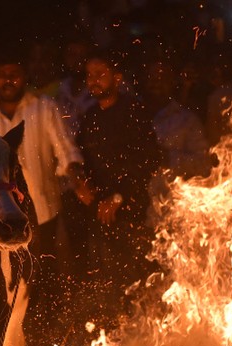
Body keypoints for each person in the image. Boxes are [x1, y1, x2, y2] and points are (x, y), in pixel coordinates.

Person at [0, 51, 91, 346]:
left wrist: (77, 179)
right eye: (3, 75)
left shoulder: (44, 108)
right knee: (3, 279)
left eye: (15, 74)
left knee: (40, 277)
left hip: (41, 211)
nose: (9, 81)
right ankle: (1, 341)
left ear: (24, 77)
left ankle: (40, 341)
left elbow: (67, 150)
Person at [71, 51, 162, 331]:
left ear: (117, 77)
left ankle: (146, 335)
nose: (94, 81)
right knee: (105, 279)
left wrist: (119, 197)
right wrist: (80, 184)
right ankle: (112, 337)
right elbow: (80, 159)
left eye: (101, 74)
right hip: (98, 214)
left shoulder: (134, 111)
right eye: (89, 76)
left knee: (135, 279)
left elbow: (148, 161)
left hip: (132, 213)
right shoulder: (89, 118)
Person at [141, 57, 211, 204]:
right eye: (151, 78)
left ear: (172, 82)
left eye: (162, 78)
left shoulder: (187, 120)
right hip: (135, 203)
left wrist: (167, 158)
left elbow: (204, 163)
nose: (156, 83)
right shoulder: (132, 116)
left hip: (170, 204)